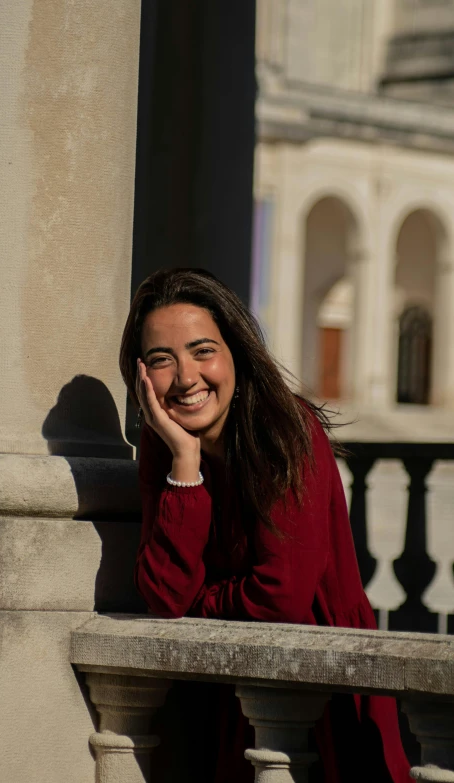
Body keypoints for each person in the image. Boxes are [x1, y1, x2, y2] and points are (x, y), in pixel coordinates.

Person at [119, 268, 411, 783]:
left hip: (317, 676)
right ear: (142, 375)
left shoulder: (285, 431)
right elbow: (164, 596)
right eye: (163, 360)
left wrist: (200, 603)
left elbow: (282, 597)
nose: (186, 378)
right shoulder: (163, 448)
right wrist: (185, 461)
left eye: (202, 350)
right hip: (220, 692)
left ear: (236, 350)